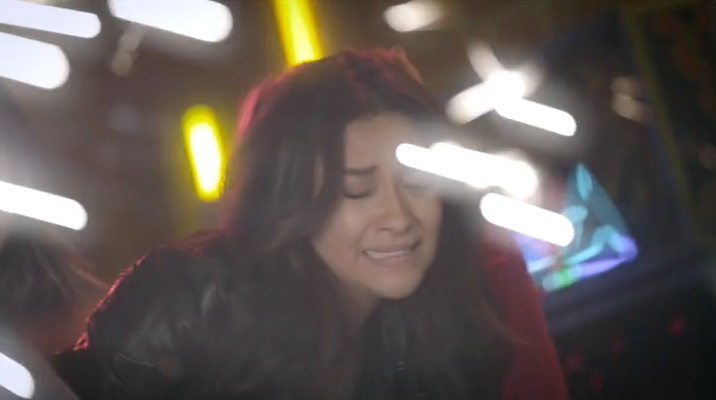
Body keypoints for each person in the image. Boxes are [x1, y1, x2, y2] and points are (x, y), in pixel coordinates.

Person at [53, 48, 567, 400]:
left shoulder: (464, 316)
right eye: (356, 190)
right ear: (291, 201)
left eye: (418, 183)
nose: (399, 218)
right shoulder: (187, 301)